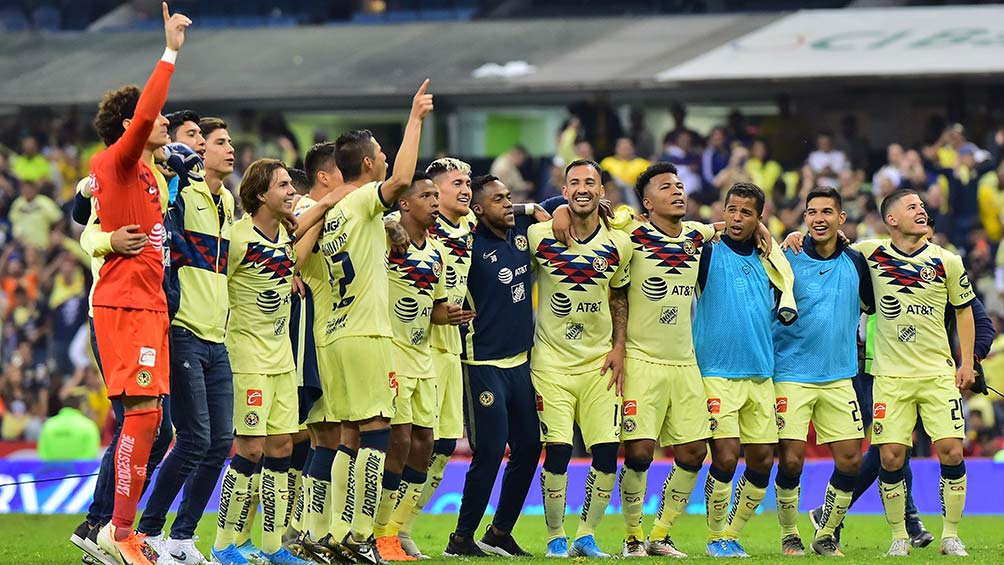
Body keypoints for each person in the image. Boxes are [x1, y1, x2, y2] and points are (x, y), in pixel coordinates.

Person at [304, 81, 434, 565]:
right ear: (367, 164)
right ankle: (360, 536)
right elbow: (400, 182)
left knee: (348, 436)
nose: (384, 159)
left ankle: (336, 533)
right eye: (380, 152)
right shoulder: (360, 201)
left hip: (332, 336)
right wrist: (415, 119)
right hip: (367, 333)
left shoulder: (332, 214)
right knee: (378, 430)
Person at [88, 5, 190, 564]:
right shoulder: (118, 164)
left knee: (155, 421)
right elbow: (149, 107)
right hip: (124, 305)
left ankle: (119, 531)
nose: (166, 124)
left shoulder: (152, 178)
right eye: (159, 119)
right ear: (133, 126)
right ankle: (116, 531)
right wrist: (170, 51)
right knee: (146, 416)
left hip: (150, 306)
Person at [845, 189, 976, 557]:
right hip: (889, 376)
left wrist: (967, 363)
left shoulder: (947, 260)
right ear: (891, 219)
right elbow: (830, 246)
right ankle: (899, 536)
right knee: (890, 457)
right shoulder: (869, 253)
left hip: (937, 373)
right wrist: (800, 236)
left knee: (951, 450)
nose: (922, 210)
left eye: (922, 205)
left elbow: (965, 311)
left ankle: (951, 535)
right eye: (912, 206)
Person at [136, 111, 233, 565]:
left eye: (221, 140)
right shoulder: (176, 195)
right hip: (184, 330)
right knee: (193, 438)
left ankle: (181, 539)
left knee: (220, 442)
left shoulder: (228, 201)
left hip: (219, 335)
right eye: (214, 140)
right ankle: (149, 531)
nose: (226, 147)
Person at [611, 163, 716, 558]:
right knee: (639, 452)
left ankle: (661, 533)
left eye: (679, 185)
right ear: (647, 202)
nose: (677, 191)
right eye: (666, 187)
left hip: (684, 362)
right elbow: (616, 291)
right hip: (642, 358)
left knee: (693, 452)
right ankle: (633, 537)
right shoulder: (630, 236)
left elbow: (723, 227)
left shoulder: (695, 235)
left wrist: (759, 228)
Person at [528, 159, 632, 558]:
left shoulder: (619, 243)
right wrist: (552, 210)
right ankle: (555, 535)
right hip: (550, 364)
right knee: (557, 450)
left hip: (599, 365)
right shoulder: (539, 236)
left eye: (591, 181)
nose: (583, 188)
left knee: (606, 451)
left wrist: (619, 346)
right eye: (575, 183)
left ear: (602, 191)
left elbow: (619, 295)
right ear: (565, 190)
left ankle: (585, 536)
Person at [211, 159, 311, 565]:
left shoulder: (285, 240)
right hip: (247, 357)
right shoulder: (236, 238)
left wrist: (290, 275)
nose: (291, 191)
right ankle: (223, 544)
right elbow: (218, 288)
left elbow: (285, 260)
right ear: (259, 195)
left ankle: (270, 547)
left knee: (282, 445)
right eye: (283, 185)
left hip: (282, 358)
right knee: (250, 449)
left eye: (291, 184)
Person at [444, 175, 550, 557]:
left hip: (521, 362)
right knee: (489, 451)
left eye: (509, 198)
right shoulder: (467, 244)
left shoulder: (523, 229)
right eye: (498, 200)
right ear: (477, 210)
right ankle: (461, 538)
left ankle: (500, 531)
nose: (507, 204)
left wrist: (524, 207)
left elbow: (557, 203)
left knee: (529, 446)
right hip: (481, 362)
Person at [692, 182, 796, 558]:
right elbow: (678, 235)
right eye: (731, 210)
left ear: (759, 218)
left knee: (763, 460)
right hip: (717, 371)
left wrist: (781, 237)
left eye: (746, 213)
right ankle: (714, 535)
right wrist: (716, 228)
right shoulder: (707, 252)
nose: (736, 218)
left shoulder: (770, 258)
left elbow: (792, 274)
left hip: (761, 373)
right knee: (724, 456)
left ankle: (732, 534)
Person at [770, 186, 873, 557]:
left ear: (841, 219)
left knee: (851, 459)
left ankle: (826, 532)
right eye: (811, 212)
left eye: (827, 212)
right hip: (791, 373)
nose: (818, 218)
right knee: (792, 459)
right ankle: (788, 534)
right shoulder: (788, 256)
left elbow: (872, 307)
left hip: (838, 377)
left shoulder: (857, 262)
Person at [383, 157, 476, 559]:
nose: (463, 191)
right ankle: (372, 528)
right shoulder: (398, 227)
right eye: (454, 183)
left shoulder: (466, 228)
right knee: (394, 438)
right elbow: (379, 216)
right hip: (397, 350)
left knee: (440, 444)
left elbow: (509, 207)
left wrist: (545, 207)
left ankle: (401, 526)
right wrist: (390, 224)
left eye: (466, 183)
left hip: (443, 347)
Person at [38, 394, 100, 461]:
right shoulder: (88, 426)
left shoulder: (48, 425)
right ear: (80, 407)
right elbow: (91, 454)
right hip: (80, 470)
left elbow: (43, 454)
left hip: (53, 470)